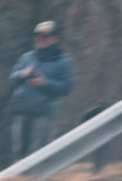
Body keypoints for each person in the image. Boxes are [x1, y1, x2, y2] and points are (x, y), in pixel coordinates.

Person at [9, 21, 74, 159]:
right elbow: (12, 79)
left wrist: (45, 83)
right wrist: (23, 74)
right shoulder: (26, 57)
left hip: (43, 114)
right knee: (18, 153)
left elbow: (66, 88)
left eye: (45, 36)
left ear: (56, 38)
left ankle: (36, 174)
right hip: (21, 111)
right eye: (37, 36)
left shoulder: (64, 61)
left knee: (37, 154)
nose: (40, 39)